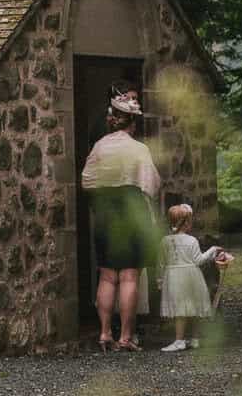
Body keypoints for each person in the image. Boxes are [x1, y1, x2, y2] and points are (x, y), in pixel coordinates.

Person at [80, 90, 161, 352]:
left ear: (113, 119)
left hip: (105, 209)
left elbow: (86, 180)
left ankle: (104, 334)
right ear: (133, 122)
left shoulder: (99, 147)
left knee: (106, 275)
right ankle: (125, 338)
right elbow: (151, 184)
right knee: (129, 277)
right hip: (130, 208)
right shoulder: (139, 149)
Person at [159, 202, 233, 352]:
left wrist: (160, 280)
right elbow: (199, 260)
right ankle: (194, 338)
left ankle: (179, 340)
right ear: (186, 223)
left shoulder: (164, 241)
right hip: (192, 277)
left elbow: (160, 263)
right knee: (194, 307)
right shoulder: (192, 240)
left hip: (174, 278)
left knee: (180, 310)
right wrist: (213, 250)